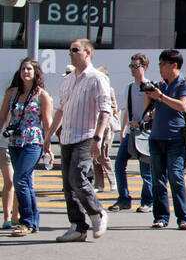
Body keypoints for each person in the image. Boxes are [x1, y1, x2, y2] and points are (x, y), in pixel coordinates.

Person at [42, 39, 113, 242]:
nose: (71, 53)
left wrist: (97, 138)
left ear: (88, 52)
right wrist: (49, 136)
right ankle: (78, 226)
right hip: (67, 137)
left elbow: (105, 111)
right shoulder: (68, 80)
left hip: (86, 135)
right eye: (70, 51)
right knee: (67, 185)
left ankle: (97, 212)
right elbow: (61, 110)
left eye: (75, 50)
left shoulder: (97, 78)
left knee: (77, 178)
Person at [1, 58, 53, 237]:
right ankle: (33, 221)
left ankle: (25, 221)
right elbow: (2, 117)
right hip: (15, 141)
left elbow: (47, 122)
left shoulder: (41, 95)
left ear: (36, 72)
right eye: (23, 69)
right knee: (26, 182)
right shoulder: (12, 93)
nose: (26, 72)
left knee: (20, 179)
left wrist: (49, 146)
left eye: (29, 69)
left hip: (33, 141)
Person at [145, 49, 186, 229]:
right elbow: (150, 111)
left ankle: (183, 218)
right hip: (156, 137)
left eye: (162, 64)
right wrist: (150, 95)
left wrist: (160, 96)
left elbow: (183, 106)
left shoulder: (185, 84)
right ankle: (160, 217)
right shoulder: (161, 85)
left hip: (176, 138)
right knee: (158, 179)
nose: (159, 68)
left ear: (174, 65)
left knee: (175, 176)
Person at [108, 54, 154, 214]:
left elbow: (152, 112)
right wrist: (123, 129)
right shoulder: (130, 87)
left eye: (136, 66)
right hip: (131, 132)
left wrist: (141, 122)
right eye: (131, 66)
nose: (133, 69)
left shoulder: (149, 86)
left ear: (144, 67)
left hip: (145, 132)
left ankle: (147, 201)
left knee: (146, 170)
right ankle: (124, 199)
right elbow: (127, 109)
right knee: (119, 164)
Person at [92, 67, 119, 196]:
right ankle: (99, 184)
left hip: (107, 126)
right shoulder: (93, 91)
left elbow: (115, 107)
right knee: (95, 156)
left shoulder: (109, 90)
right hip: (95, 125)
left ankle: (113, 181)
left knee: (104, 154)